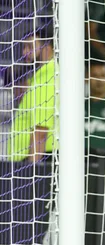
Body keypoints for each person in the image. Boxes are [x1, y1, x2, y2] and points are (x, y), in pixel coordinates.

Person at [7, 29, 56, 162]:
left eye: (30, 47)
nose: (24, 53)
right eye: (24, 47)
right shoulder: (40, 76)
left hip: (36, 161)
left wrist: (30, 172)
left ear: (47, 48)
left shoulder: (48, 78)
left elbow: (40, 131)